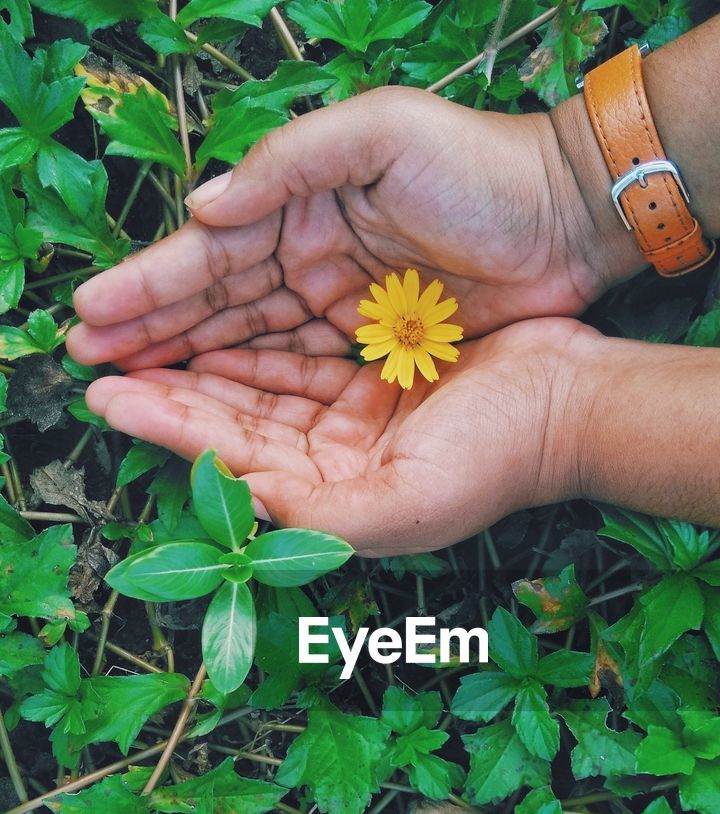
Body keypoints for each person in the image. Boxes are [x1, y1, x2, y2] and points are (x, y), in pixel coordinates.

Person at [67, 15, 720, 558]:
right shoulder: (392, 327)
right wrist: (568, 187)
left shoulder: (413, 330)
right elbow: (390, 334)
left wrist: (565, 419)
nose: (406, 331)